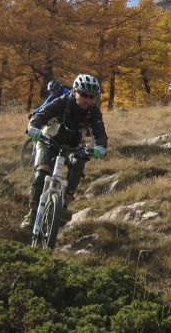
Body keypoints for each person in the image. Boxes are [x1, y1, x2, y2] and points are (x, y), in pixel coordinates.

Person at [20, 74, 107, 229]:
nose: (87, 100)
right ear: (75, 91)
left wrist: (100, 147)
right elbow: (42, 114)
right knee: (41, 174)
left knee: (79, 162)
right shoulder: (62, 102)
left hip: (73, 145)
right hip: (49, 140)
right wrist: (33, 128)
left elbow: (100, 132)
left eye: (91, 97)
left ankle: (64, 206)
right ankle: (32, 213)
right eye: (84, 95)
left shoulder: (93, 112)